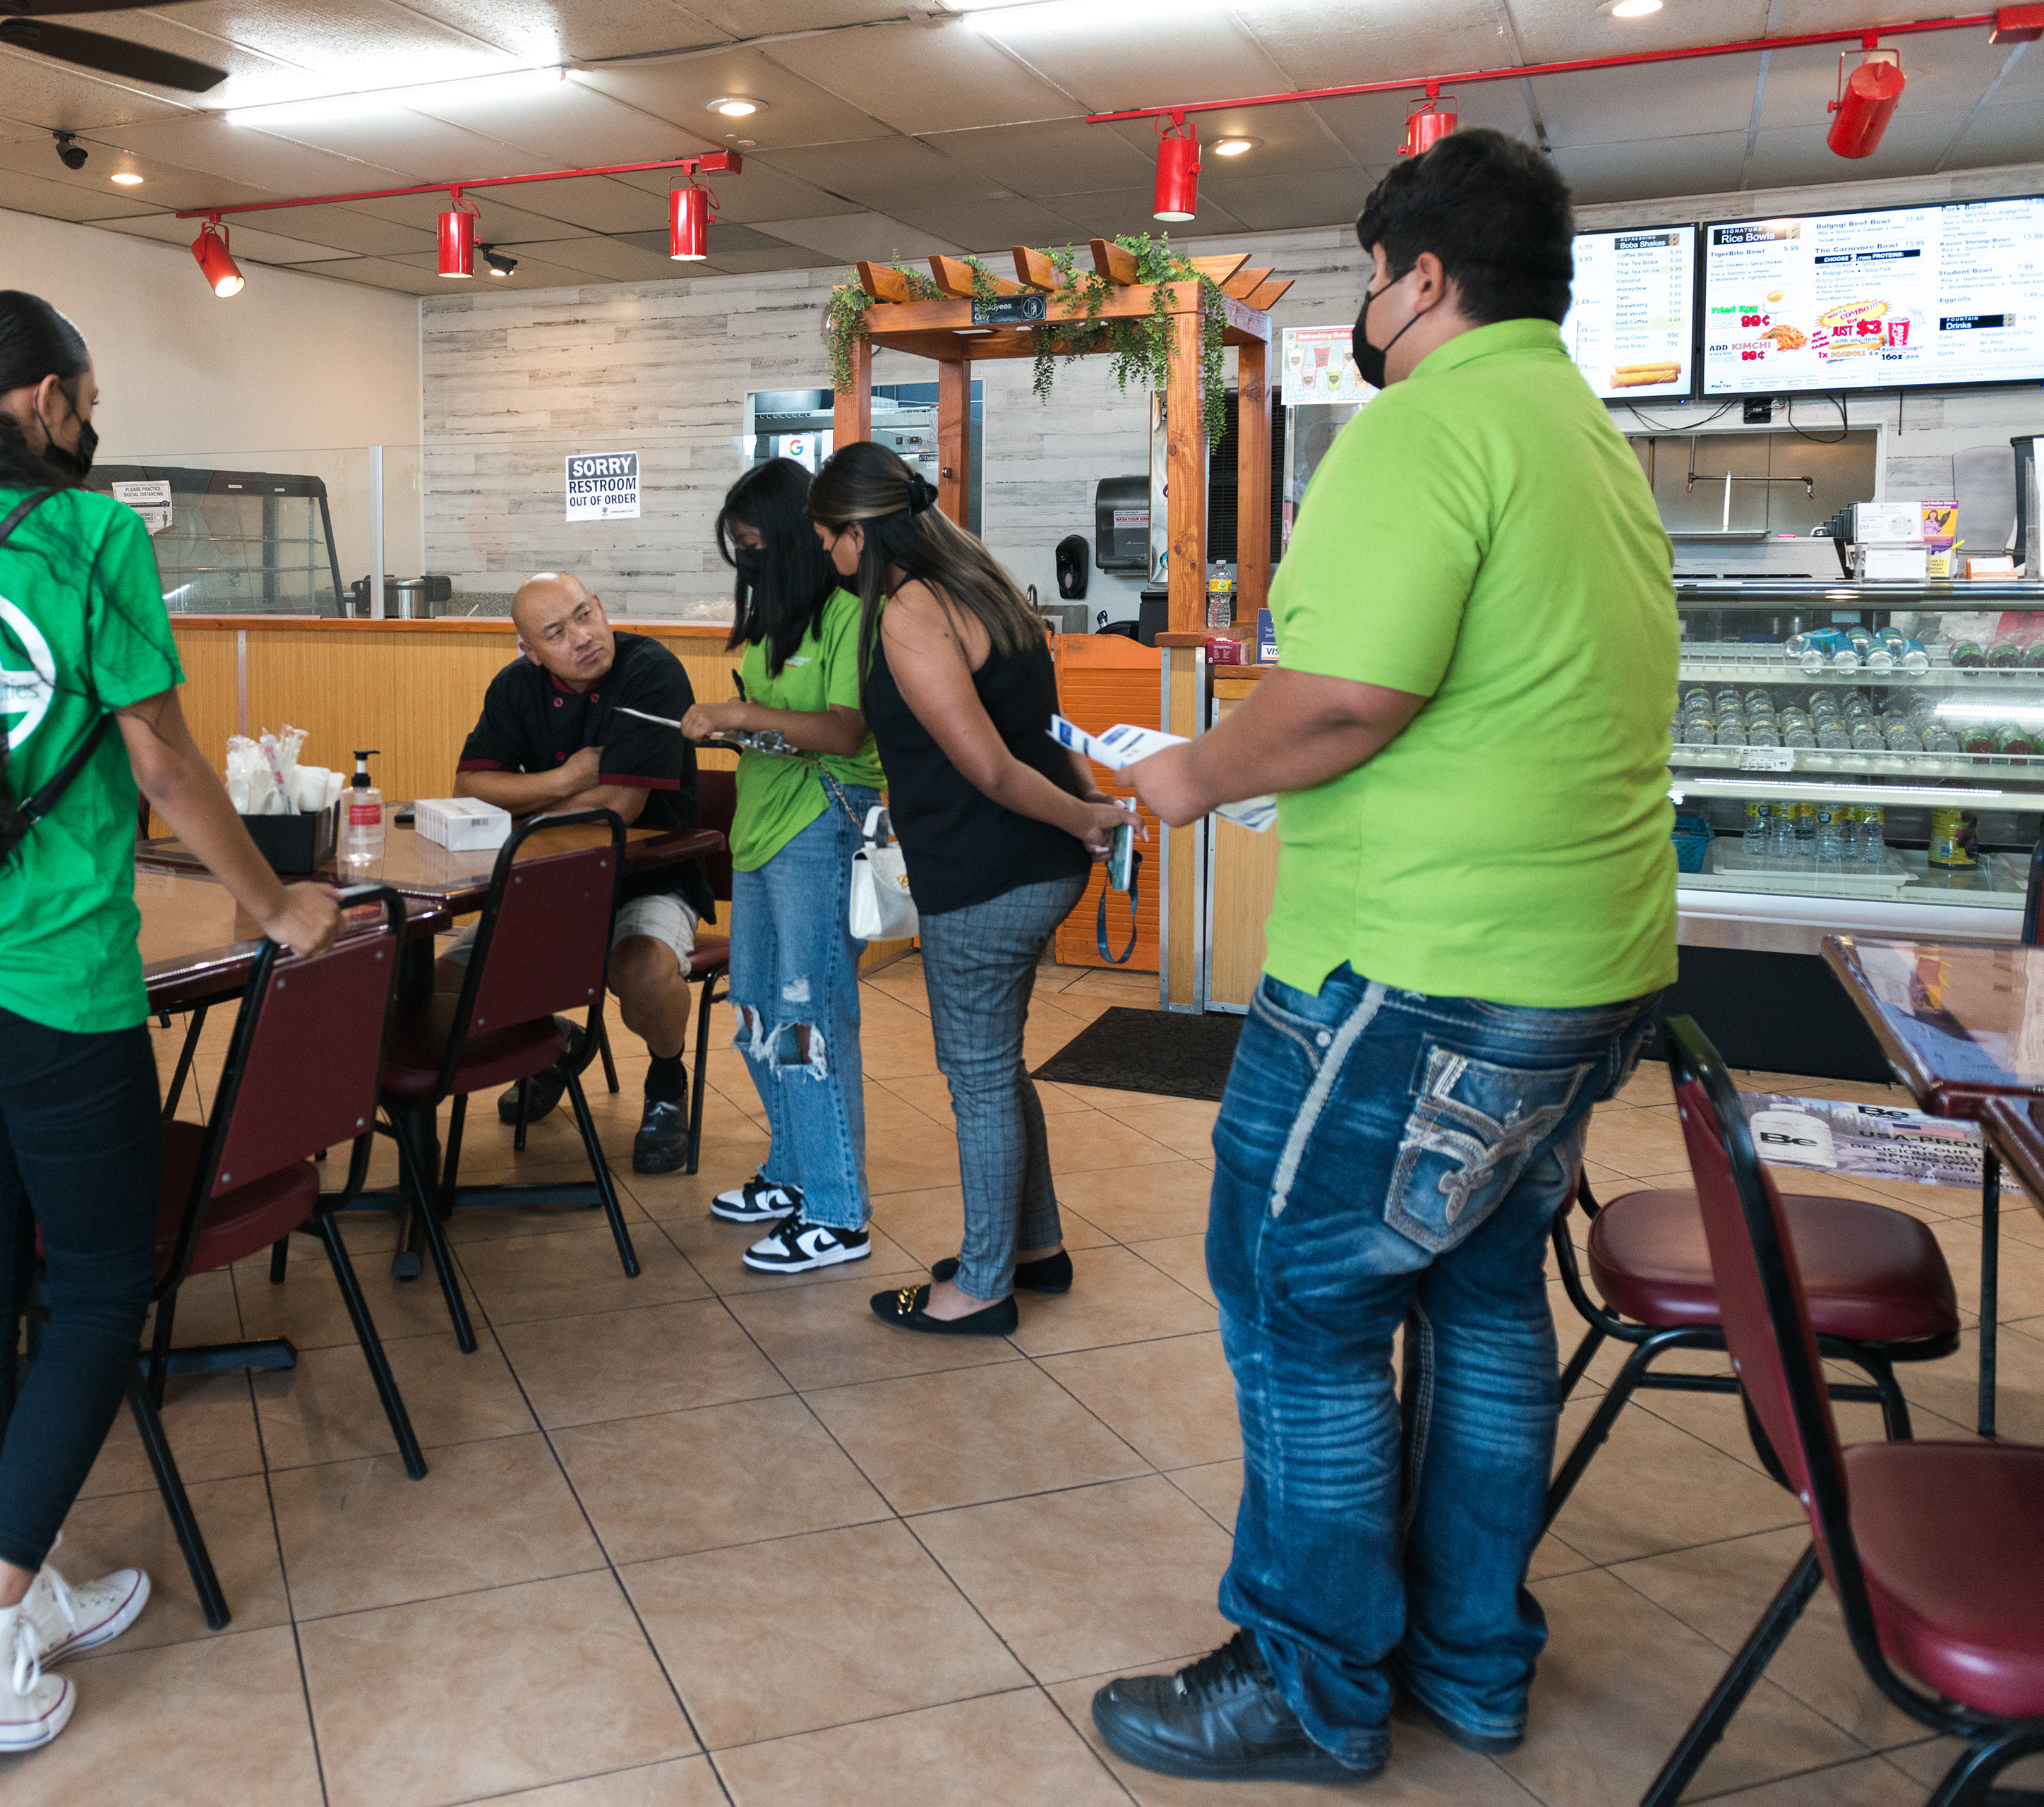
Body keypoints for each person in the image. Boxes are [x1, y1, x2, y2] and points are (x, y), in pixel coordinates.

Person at [1100, 128, 1676, 1787]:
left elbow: (1349, 699)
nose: (1363, 312)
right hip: (1583, 962)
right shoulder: (1584, 436)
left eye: (1367, 279)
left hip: (1422, 968)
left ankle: (1307, 1679)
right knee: (1483, 1296)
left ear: (1420, 277)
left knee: (1302, 1297)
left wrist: (1187, 773)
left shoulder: (1422, 424)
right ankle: (1467, 1658)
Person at [0, 291, 342, 1753]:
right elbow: (162, 760)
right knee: (105, 1289)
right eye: (89, 399)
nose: (89, 421)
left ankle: (23, 1581)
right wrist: (273, 903)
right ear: (49, 399)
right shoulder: (88, 534)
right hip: (49, 982)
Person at [806, 442, 1127, 1334]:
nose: (830, 561)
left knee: (977, 1078)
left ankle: (981, 1285)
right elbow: (1045, 726)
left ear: (860, 534)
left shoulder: (911, 611)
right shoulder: (983, 579)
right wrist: (1084, 809)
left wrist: (1086, 816)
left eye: (831, 542)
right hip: (1035, 863)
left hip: (987, 872)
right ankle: (1035, 1247)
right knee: (998, 1066)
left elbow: (990, 766)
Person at [683, 460, 885, 1273]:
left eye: (757, 544)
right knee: (758, 1015)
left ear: (800, 538)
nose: (750, 561)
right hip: (758, 831)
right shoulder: (775, 623)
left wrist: (739, 712)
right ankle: (794, 1171)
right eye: (742, 549)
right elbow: (778, 725)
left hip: (819, 831)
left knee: (810, 1021)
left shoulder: (851, 613)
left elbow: (843, 731)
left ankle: (838, 1213)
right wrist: (738, 727)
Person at [452, 572, 713, 1173]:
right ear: (530, 651)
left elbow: (619, 807)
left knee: (642, 973)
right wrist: (567, 779)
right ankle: (557, 1044)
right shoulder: (515, 687)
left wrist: (523, 803)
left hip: (648, 877)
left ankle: (667, 1080)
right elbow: (469, 789)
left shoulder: (652, 671)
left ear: (599, 606)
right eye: (556, 633)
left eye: (584, 615)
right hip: (546, 882)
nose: (583, 637)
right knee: (451, 987)